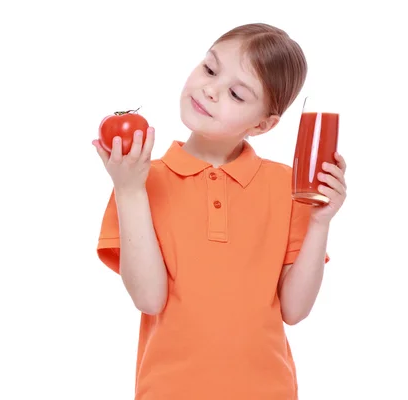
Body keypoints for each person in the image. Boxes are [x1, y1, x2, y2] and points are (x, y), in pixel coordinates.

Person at [93, 22, 347, 400]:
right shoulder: (138, 180)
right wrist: (129, 190)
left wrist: (321, 221)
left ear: (263, 124)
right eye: (210, 69)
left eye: (236, 94)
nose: (210, 90)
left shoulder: (287, 188)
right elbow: (149, 298)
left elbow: (294, 310)